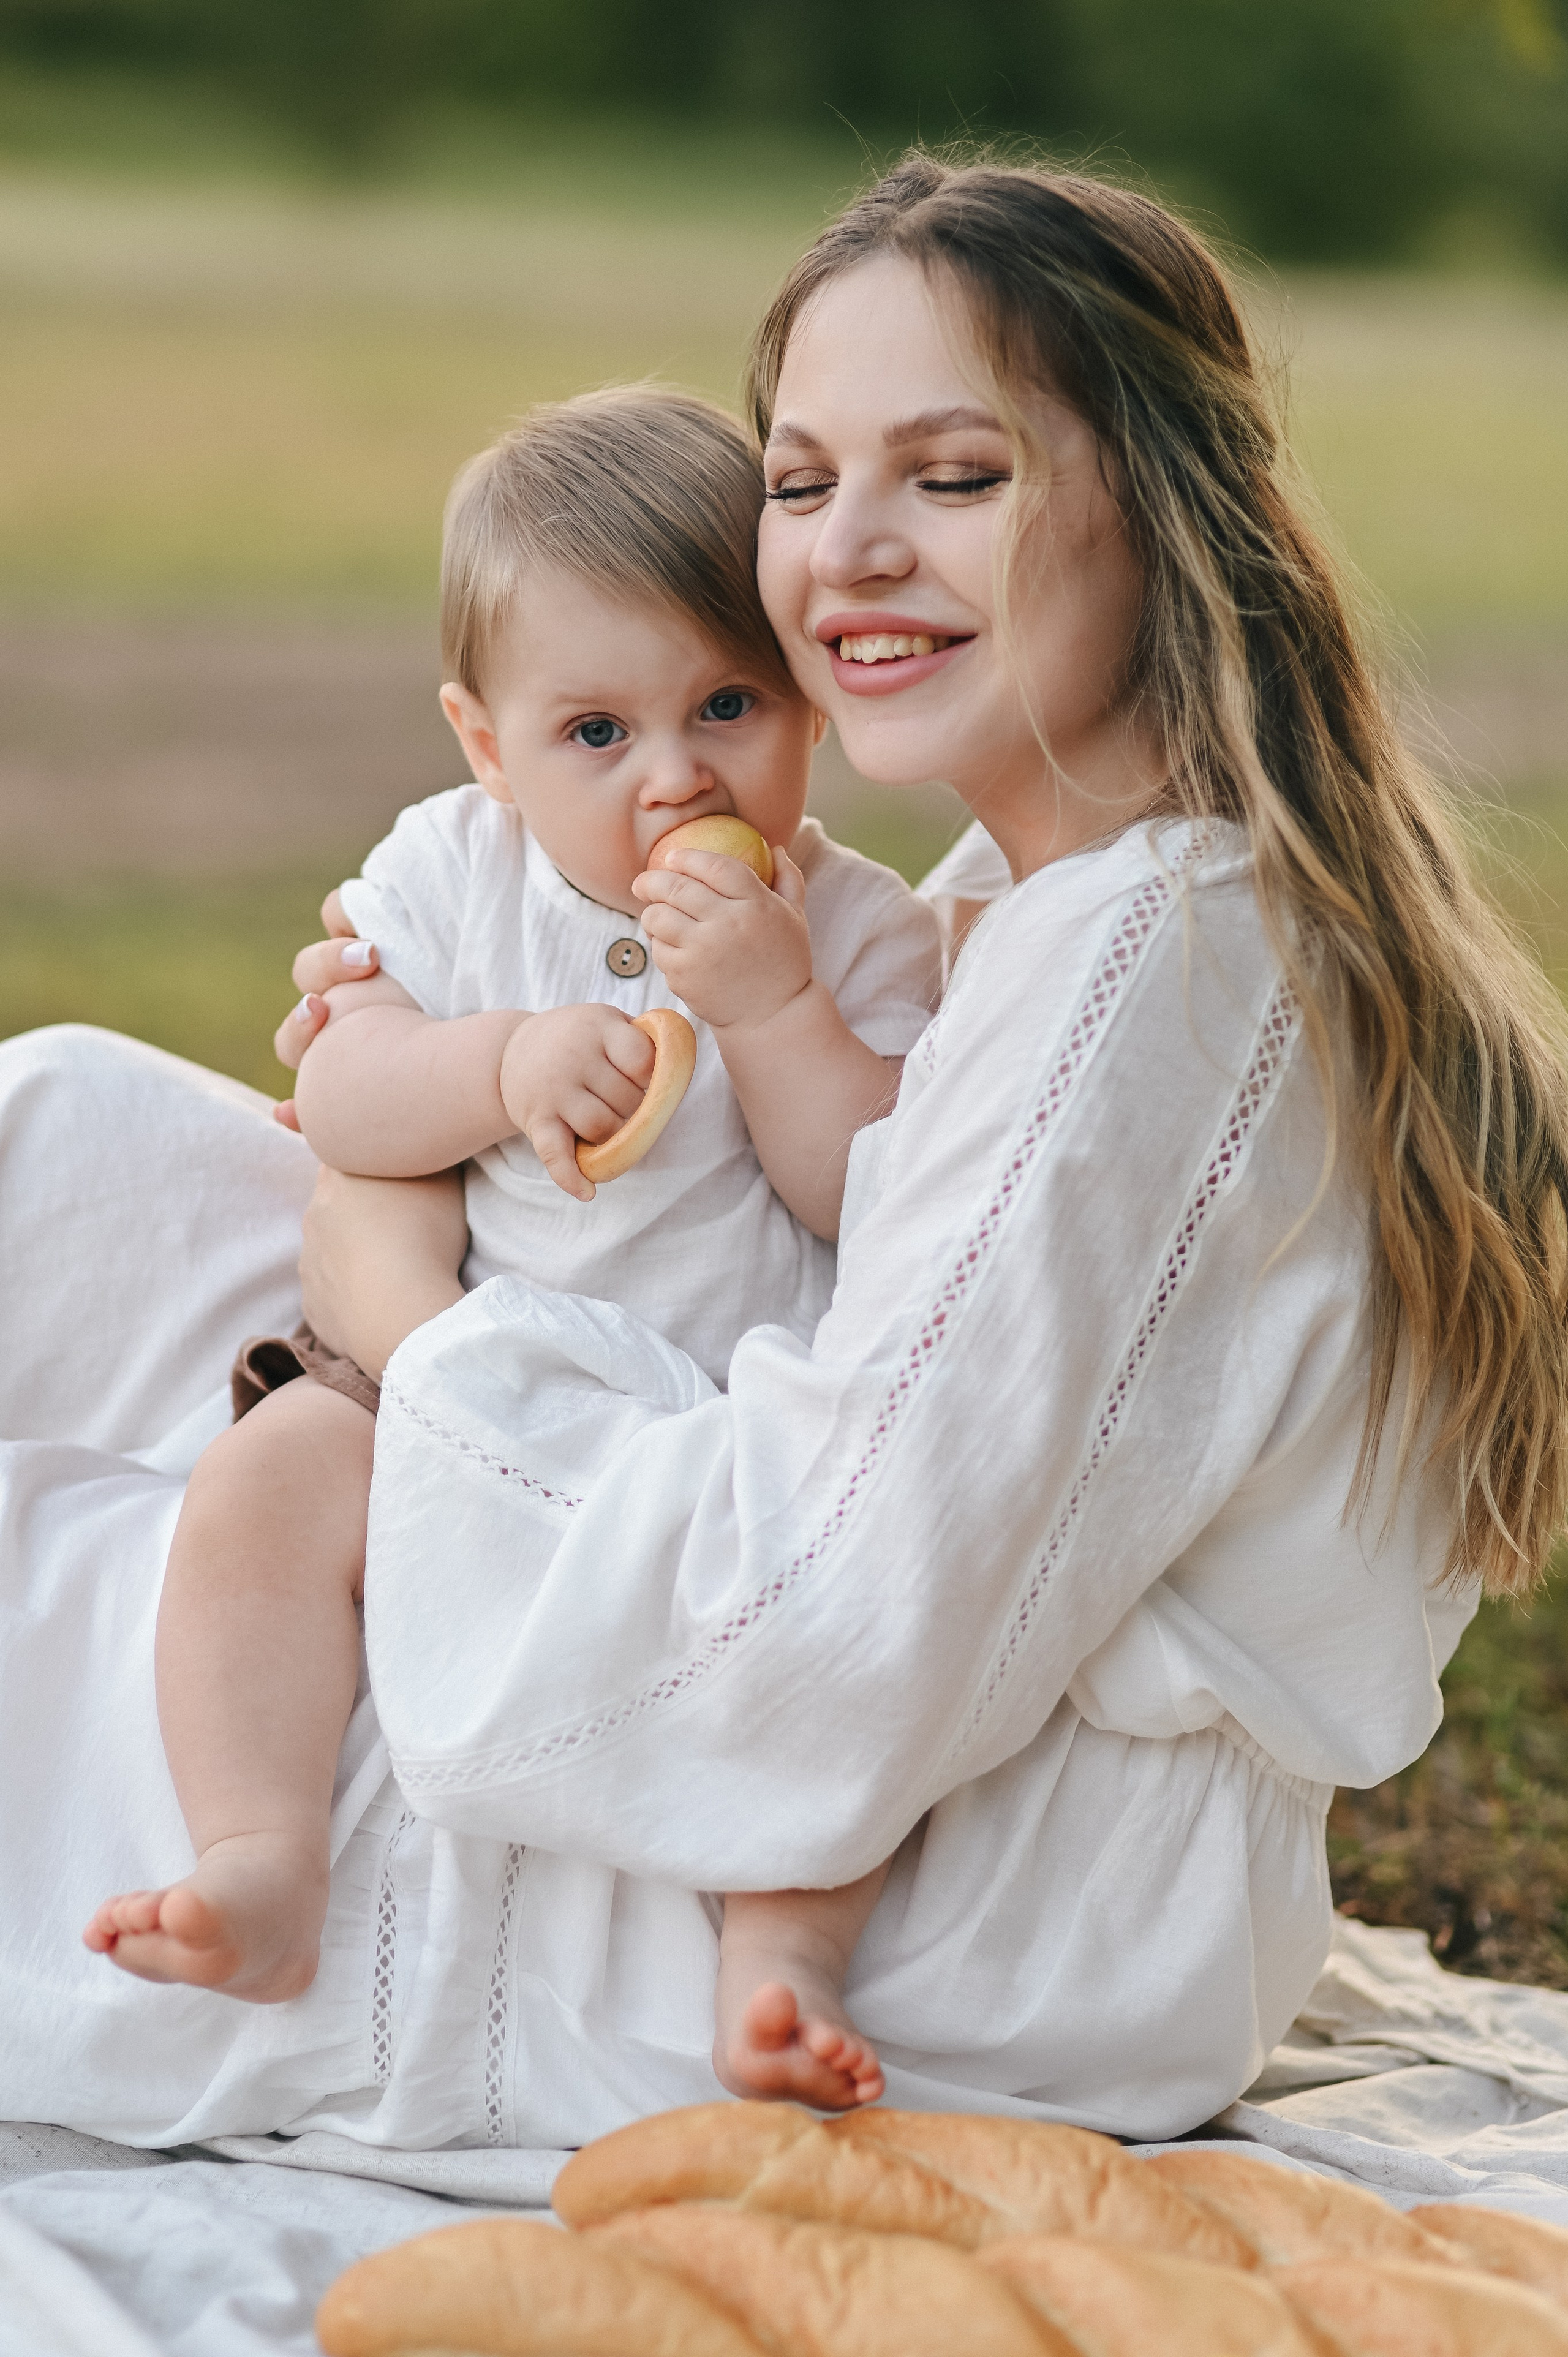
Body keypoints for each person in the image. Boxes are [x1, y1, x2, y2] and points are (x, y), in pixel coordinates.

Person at [1, 152, 1565, 2157]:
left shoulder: (1143, 984)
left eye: (957, 476)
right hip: (766, 1606)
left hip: (949, 1899)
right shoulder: (1049, 888)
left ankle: (266, 1851)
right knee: (65, 1128)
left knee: (65, 1590)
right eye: (806, 482)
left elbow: (825, 1633)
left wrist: (410, 1331)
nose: (851, 554)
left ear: (1169, 509)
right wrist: (431, 1085)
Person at [80, 387, 942, 2111]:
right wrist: (496, 1063)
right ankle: (261, 1857)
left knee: (848, 1644)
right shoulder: (456, 873)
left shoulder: (856, 927)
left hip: (713, 1433)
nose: (675, 774)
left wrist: (773, 1007)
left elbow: (872, 1192)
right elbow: (341, 1096)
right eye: (596, 732)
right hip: (438, 1383)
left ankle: (779, 1961)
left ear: (808, 695)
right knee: (257, 1494)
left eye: (727, 705)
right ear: (489, 746)